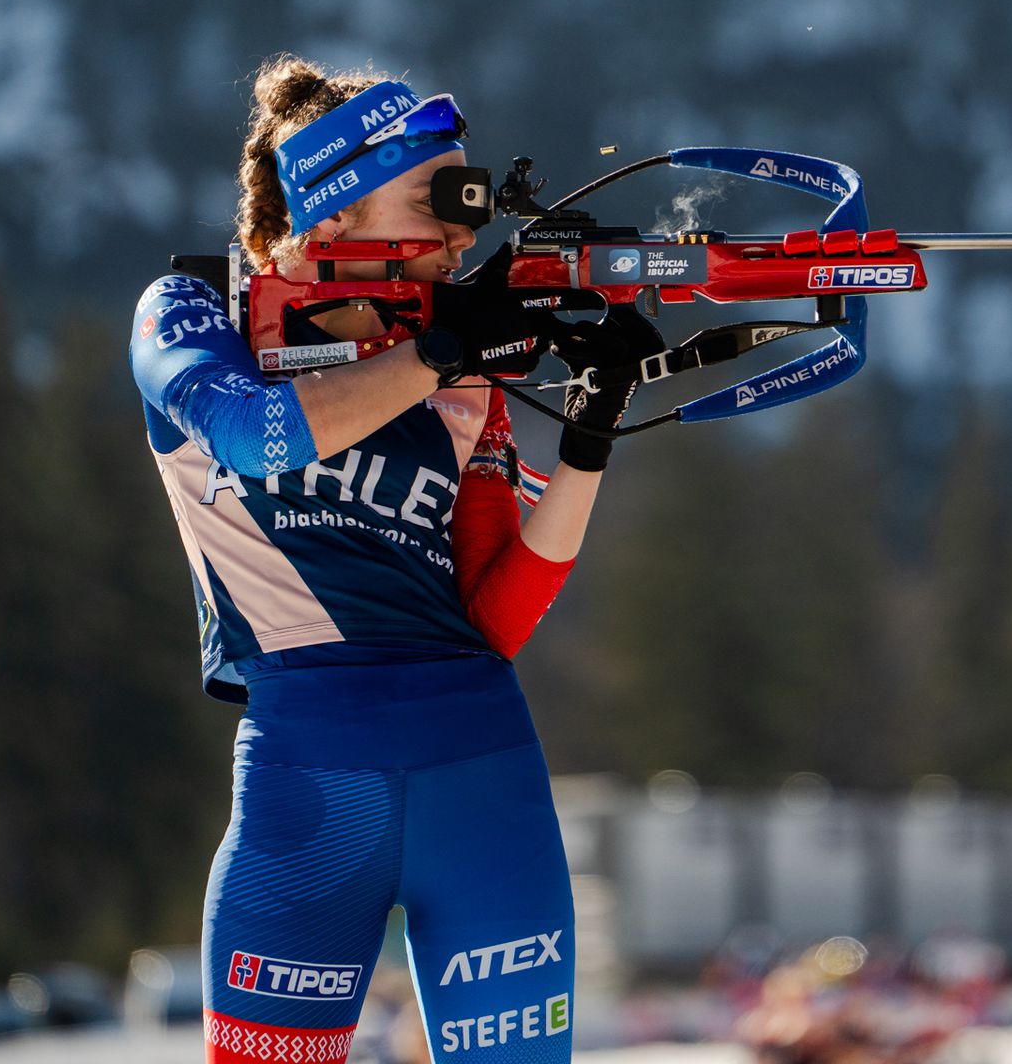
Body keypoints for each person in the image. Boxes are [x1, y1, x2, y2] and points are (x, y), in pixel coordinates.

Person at [128, 56, 659, 1064]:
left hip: (484, 771)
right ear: (332, 213)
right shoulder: (193, 306)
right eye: (438, 197)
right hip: (307, 785)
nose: (466, 231)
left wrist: (592, 431)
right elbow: (252, 435)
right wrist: (442, 355)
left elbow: (496, 613)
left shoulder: (461, 367)